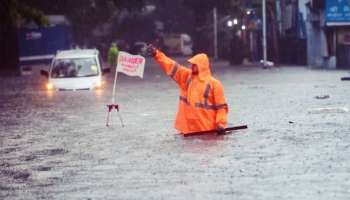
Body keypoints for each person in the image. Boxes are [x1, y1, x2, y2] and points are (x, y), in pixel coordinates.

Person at [146, 44, 229, 135]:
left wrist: (220, 124)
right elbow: (171, 66)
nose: (192, 66)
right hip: (187, 130)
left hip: (207, 131)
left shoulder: (215, 84)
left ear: (202, 66)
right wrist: (156, 54)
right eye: (192, 64)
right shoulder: (187, 77)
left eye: (195, 65)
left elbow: (221, 108)